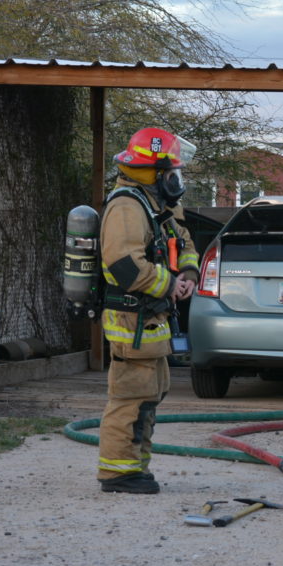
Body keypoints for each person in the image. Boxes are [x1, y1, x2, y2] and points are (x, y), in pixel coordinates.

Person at [97, 127, 200, 493]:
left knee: (149, 396)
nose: (176, 180)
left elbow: (184, 243)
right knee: (130, 397)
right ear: (153, 172)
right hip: (131, 321)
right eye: (171, 172)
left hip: (151, 320)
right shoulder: (126, 207)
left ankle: (135, 468)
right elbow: (124, 265)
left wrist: (187, 274)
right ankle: (117, 473)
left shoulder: (156, 206)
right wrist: (169, 286)